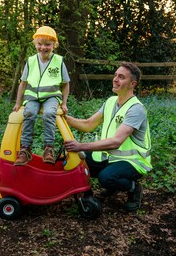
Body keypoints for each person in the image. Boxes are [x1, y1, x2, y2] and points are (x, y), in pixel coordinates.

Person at [63, 62, 152, 212]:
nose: (115, 79)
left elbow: (116, 142)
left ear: (132, 84)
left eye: (121, 77)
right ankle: (88, 194)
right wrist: (63, 117)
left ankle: (133, 188)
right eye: (115, 75)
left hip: (133, 161)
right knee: (77, 159)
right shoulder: (110, 102)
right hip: (110, 156)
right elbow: (88, 124)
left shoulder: (136, 109)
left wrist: (81, 145)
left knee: (106, 178)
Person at [13, 26, 70, 166]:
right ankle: (25, 150)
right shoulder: (31, 61)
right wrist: (18, 103)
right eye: (40, 44)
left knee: (49, 113)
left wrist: (64, 103)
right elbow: (23, 83)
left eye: (47, 44)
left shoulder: (59, 61)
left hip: (51, 97)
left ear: (54, 45)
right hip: (32, 97)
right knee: (29, 113)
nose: (43, 47)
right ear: (35, 44)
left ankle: (48, 148)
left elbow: (66, 84)